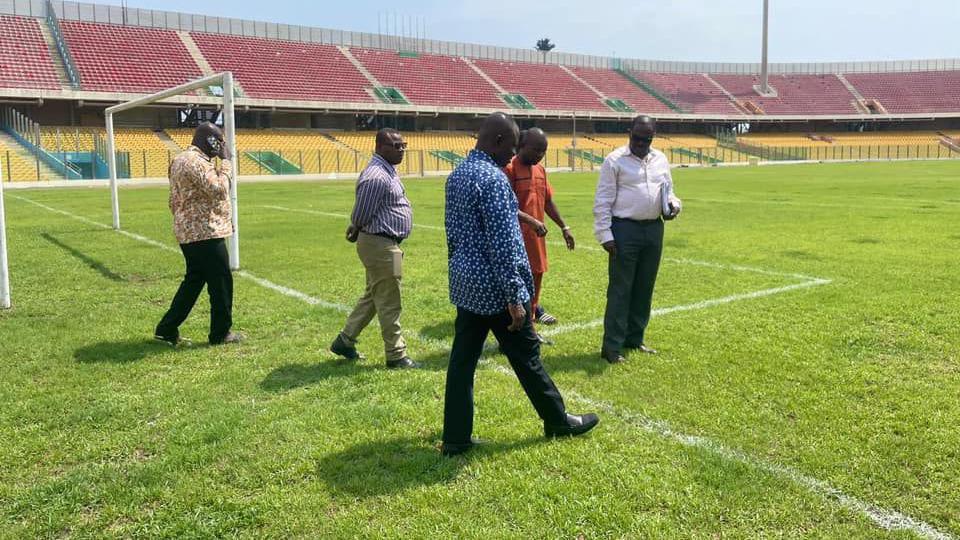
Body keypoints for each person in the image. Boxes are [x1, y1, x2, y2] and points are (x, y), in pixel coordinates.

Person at [441, 112, 599, 457]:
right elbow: (505, 244)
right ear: (498, 142)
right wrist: (516, 297)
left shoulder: (457, 175)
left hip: (467, 285)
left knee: (462, 363)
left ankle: (455, 438)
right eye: (511, 148)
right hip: (497, 289)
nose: (512, 156)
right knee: (527, 357)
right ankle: (558, 421)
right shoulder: (494, 180)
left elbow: (453, 236)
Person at [593, 116, 682, 364]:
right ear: (629, 132)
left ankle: (634, 338)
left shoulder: (660, 159)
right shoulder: (614, 161)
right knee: (621, 290)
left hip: (654, 228)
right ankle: (611, 347)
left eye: (647, 139)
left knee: (644, 287)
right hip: (625, 229)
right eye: (637, 138)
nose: (641, 143)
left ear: (654, 136)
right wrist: (605, 234)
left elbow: (669, 191)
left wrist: (673, 206)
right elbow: (602, 200)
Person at [329, 128, 419, 369]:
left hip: (386, 243)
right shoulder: (377, 176)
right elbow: (361, 214)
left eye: (403, 145)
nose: (401, 150)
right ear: (380, 147)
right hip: (380, 244)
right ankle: (396, 354)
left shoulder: (387, 171)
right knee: (390, 300)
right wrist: (355, 226)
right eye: (396, 146)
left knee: (374, 295)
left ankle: (344, 340)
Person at [154, 122, 242, 346]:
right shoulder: (197, 162)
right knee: (221, 282)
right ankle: (220, 333)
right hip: (205, 232)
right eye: (219, 141)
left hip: (189, 232)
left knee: (194, 281)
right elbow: (219, 190)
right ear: (209, 140)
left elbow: (173, 199)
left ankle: (166, 329)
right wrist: (227, 162)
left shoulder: (179, 159)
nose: (221, 145)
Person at [504, 128, 574, 338]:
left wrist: (564, 227)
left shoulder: (540, 170)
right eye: (536, 150)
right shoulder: (509, 169)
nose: (540, 155)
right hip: (514, 238)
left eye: (543, 151)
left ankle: (531, 318)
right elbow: (504, 205)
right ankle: (522, 326)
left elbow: (548, 201)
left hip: (536, 238)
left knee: (536, 276)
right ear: (521, 146)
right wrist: (530, 221)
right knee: (519, 281)